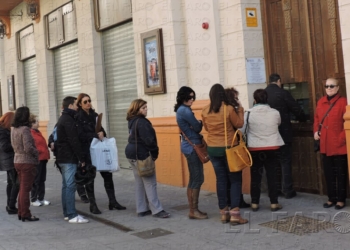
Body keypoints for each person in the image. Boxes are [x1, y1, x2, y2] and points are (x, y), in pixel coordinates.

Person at [201, 84, 247, 225]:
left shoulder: (205, 110)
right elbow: (239, 124)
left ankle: (224, 213)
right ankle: (235, 214)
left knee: (221, 180)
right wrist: (240, 110)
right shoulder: (228, 109)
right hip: (228, 149)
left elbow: (207, 128)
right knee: (235, 180)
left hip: (213, 149)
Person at [76, 93, 126, 214]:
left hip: (99, 149)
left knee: (108, 175)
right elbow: (80, 135)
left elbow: (100, 129)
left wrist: (102, 133)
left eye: (89, 101)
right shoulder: (78, 117)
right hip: (87, 151)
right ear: (80, 104)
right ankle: (93, 205)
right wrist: (94, 135)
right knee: (90, 178)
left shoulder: (94, 115)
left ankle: (113, 201)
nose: (88, 103)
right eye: (85, 102)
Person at [125, 99, 170, 218]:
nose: (146, 109)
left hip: (131, 153)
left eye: (146, 107)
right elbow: (149, 141)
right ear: (137, 109)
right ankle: (157, 210)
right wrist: (155, 153)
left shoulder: (132, 121)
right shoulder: (142, 122)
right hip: (141, 155)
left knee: (140, 182)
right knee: (150, 182)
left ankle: (142, 209)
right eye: (143, 108)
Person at [241, 89, 284, 212]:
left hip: (255, 149)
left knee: (255, 176)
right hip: (273, 147)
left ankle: (254, 202)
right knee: (272, 175)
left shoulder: (248, 113)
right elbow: (278, 124)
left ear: (254, 100)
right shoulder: (275, 113)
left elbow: (242, 130)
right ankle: (274, 202)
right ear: (267, 99)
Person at [265, 73, 306, 199]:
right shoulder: (283, 93)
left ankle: (275, 190)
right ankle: (287, 190)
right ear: (279, 81)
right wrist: (303, 118)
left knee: (273, 163)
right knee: (285, 162)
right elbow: (297, 110)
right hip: (284, 133)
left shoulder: (263, 94)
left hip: (268, 135)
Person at [314, 78, 348, 210]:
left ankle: (341, 199)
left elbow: (347, 122)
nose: (329, 88)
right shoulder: (321, 102)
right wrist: (316, 131)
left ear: (338, 87)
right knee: (329, 174)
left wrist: (341, 139)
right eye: (327, 86)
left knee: (340, 174)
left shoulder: (343, 102)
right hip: (325, 144)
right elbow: (317, 119)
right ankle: (331, 198)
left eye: (332, 86)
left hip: (339, 145)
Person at [174, 86, 208, 220]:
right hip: (192, 147)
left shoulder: (181, 110)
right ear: (182, 97)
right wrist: (199, 122)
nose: (192, 100)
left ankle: (194, 209)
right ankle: (193, 210)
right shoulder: (185, 110)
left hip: (190, 146)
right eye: (189, 97)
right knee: (197, 178)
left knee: (195, 177)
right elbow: (198, 127)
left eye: (193, 97)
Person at [56, 96, 89, 223]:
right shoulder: (68, 119)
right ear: (70, 106)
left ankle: (67, 212)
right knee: (70, 186)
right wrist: (81, 158)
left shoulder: (64, 118)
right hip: (68, 158)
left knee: (66, 186)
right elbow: (74, 140)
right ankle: (71, 215)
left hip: (64, 157)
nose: (77, 106)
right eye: (76, 104)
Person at [48, 124, 89, 203]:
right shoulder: (59, 125)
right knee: (68, 180)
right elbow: (51, 136)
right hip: (61, 157)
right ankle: (70, 197)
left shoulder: (73, 124)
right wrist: (51, 143)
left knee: (75, 177)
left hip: (71, 157)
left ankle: (81, 194)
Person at [11, 107, 39, 222]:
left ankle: (21, 212)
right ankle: (26, 214)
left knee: (22, 188)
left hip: (17, 160)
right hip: (27, 161)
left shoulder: (13, 129)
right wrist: (36, 153)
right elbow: (28, 147)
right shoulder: (25, 129)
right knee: (25, 189)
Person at [225, 87, 251, 209]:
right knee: (235, 175)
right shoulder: (232, 110)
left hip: (220, 146)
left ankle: (229, 201)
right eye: (236, 97)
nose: (237, 99)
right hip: (233, 146)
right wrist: (240, 108)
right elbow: (240, 124)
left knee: (226, 177)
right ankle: (237, 202)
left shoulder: (220, 110)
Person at [0, 112, 19, 215]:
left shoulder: (5, 130)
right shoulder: (2, 131)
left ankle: (10, 205)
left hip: (8, 159)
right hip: (8, 160)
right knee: (15, 183)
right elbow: (4, 146)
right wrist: (16, 144)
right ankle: (11, 206)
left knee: (11, 183)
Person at [29, 114, 51, 207]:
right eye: (36, 121)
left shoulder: (37, 132)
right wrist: (40, 152)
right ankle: (34, 199)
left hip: (43, 158)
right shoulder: (30, 133)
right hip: (37, 159)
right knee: (36, 180)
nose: (38, 123)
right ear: (32, 124)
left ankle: (41, 198)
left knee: (42, 179)